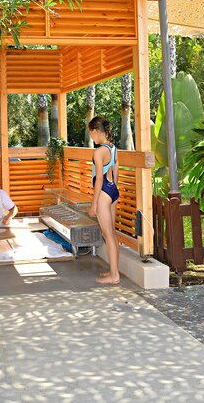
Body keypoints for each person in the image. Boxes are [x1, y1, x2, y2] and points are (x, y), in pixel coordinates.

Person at [88, 116, 120, 285]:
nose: (91, 137)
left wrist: (94, 204)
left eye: (91, 133)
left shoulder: (99, 152)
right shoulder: (113, 148)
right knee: (112, 234)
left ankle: (114, 275)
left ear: (96, 131)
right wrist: (114, 191)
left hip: (103, 194)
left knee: (108, 235)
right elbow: (116, 171)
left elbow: (99, 179)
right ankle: (114, 271)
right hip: (113, 191)